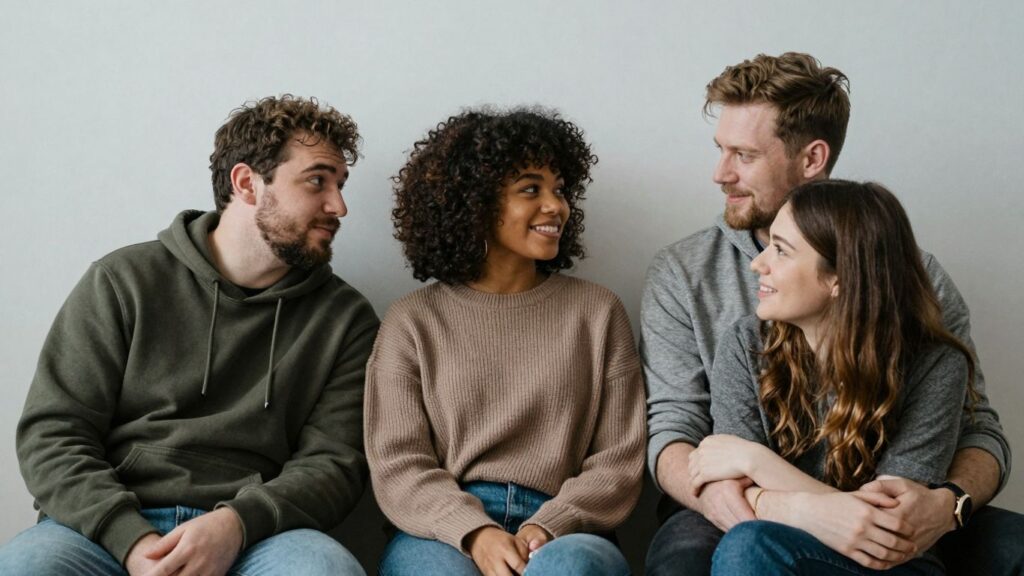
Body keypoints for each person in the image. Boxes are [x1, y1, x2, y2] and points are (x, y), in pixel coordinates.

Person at [642, 52, 1021, 575]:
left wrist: (948, 504)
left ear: (812, 158)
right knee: (710, 553)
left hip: (894, 496)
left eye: (744, 155)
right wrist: (750, 497)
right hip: (731, 497)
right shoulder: (695, 285)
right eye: (720, 150)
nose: (720, 174)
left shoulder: (914, 281)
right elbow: (676, 429)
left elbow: (975, 427)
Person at [0, 95, 378, 576]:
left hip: (259, 536)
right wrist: (130, 540)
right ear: (247, 183)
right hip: (107, 528)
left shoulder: (346, 318)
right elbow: (53, 434)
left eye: (340, 185)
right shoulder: (123, 281)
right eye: (317, 180)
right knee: (27, 565)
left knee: (323, 569)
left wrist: (236, 525)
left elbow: (334, 464)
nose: (338, 206)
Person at [365, 107, 645, 576]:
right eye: (530, 189)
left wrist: (551, 524)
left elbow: (619, 459)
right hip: (443, 529)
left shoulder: (598, 313)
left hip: (567, 527)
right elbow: (398, 464)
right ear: (475, 203)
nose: (555, 206)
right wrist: (474, 532)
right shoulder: (412, 321)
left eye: (559, 189)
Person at [690, 179, 970, 575]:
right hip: (784, 548)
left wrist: (755, 460)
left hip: (894, 565)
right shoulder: (746, 344)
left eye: (781, 251)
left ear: (839, 277)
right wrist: (809, 508)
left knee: (750, 546)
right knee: (748, 544)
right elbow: (734, 492)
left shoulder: (935, 365)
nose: (757, 263)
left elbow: (885, 527)